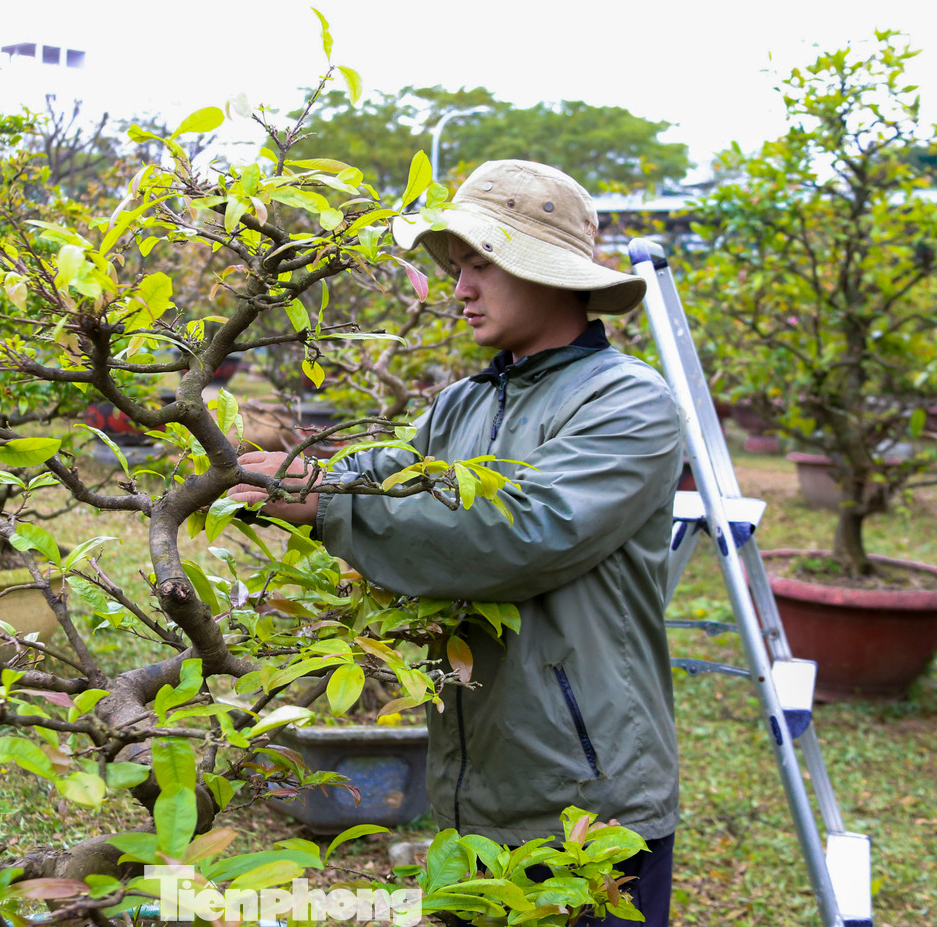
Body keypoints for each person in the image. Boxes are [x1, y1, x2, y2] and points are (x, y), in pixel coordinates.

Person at [227, 160, 682, 926]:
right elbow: (385, 473)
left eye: (481, 265)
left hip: (589, 806)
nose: (460, 288)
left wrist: (324, 502)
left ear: (551, 275)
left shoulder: (626, 401)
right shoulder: (462, 405)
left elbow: (518, 532)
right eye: (458, 267)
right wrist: (291, 476)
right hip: (474, 792)